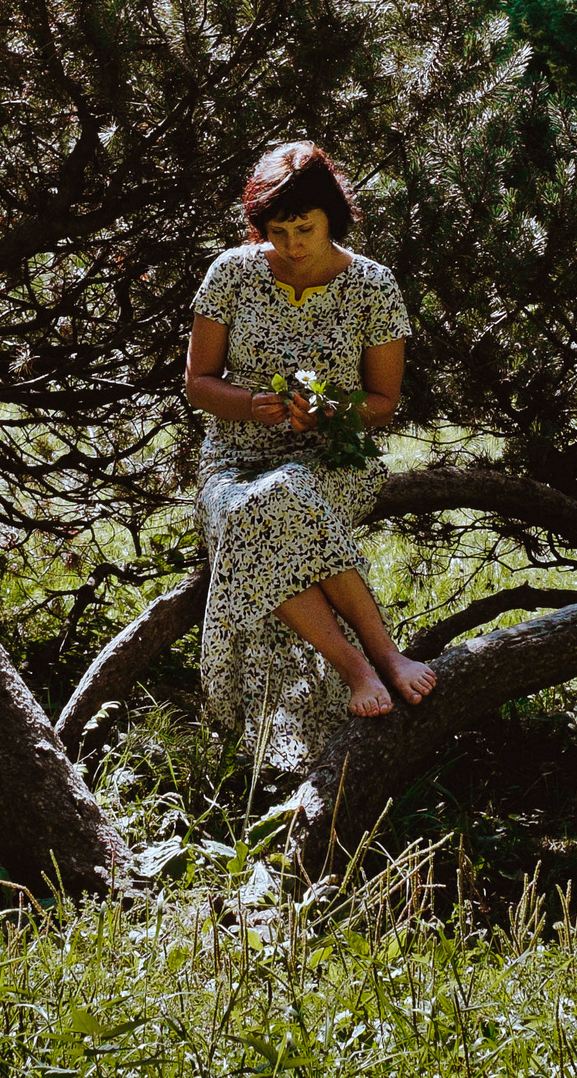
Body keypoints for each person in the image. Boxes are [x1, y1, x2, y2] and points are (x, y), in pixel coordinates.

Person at [185, 140, 437, 772]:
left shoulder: (373, 285)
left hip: (336, 456)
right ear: (259, 227)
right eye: (279, 231)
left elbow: (385, 400)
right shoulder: (231, 272)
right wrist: (250, 405)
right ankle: (368, 665)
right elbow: (197, 383)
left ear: (333, 218)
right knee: (257, 504)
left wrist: (330, 411)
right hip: (234, 458)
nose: (294, 244)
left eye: (306, 227)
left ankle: (379, 663)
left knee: (283, 497)